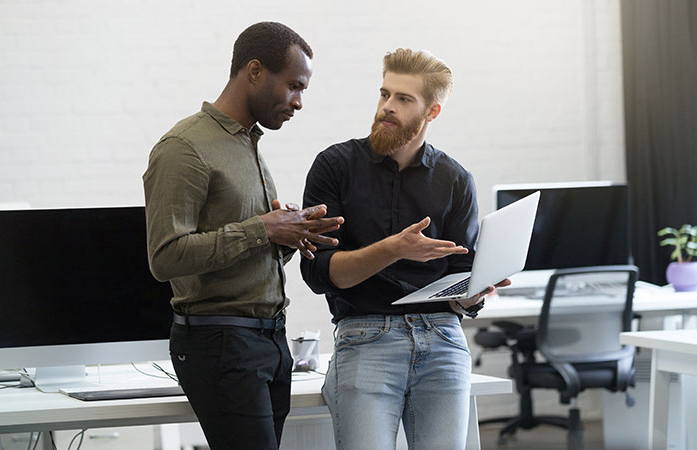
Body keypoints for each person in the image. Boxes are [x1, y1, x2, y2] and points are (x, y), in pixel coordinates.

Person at [143, 22, 343, 450]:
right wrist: (262, 229)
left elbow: (246, 248)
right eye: (293, 86)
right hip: (221, 342)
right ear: (254, 71)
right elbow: (165, 257)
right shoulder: (184, 147)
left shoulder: (248, 146)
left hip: (268, 339)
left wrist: (288, 235)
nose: (299, 102)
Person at [300, 48, 510, 450]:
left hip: (442, 337)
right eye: (384, 94)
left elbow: (458, 287)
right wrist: (394, 249)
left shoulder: (455, 180)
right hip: (365, 335)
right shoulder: (335, 166)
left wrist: (474, 294)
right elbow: (318, 274)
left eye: (403, 99)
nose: (387, 107)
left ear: (431, 113)